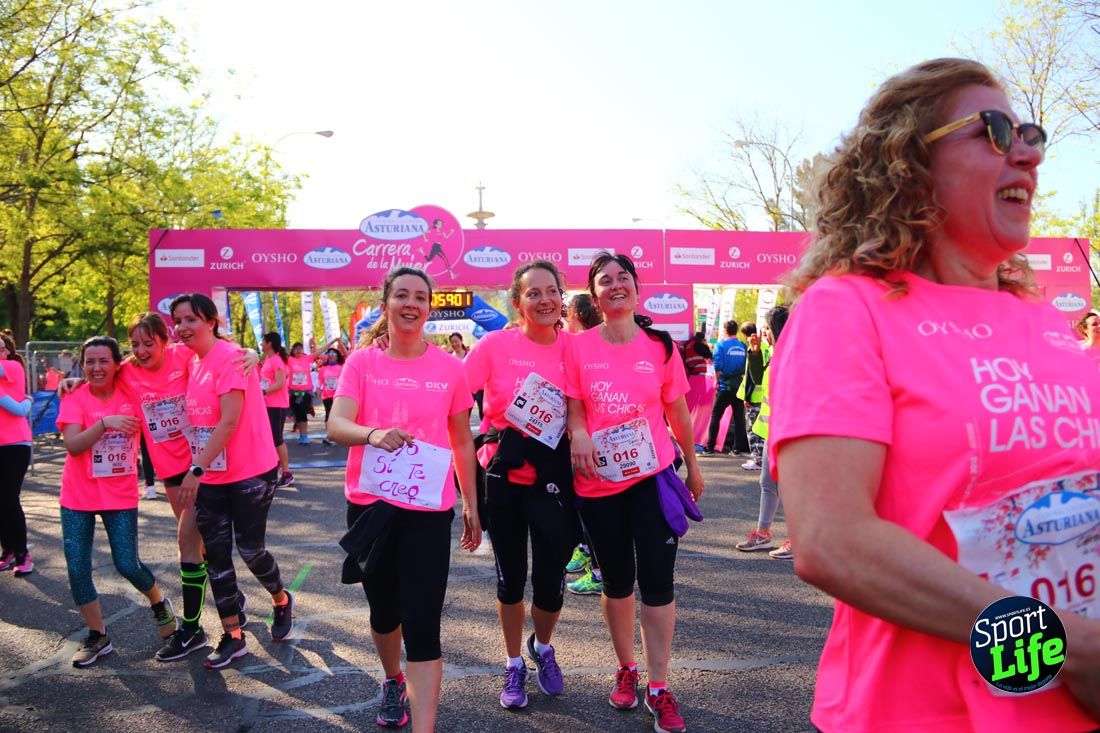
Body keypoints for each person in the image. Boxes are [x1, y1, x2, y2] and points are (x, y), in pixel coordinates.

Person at [770, 58, 1100, 732]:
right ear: (907, 162)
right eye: (998, 131)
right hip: (921, 713)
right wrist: (1064, 645)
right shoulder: (847, 309)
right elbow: (832, 540)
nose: (1030, 154)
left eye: (1031, 134)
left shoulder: (1045, 321)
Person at [328, 267, 481, 732]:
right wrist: (372, 434)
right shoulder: (362, 363)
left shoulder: (451, 368)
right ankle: (393, 678)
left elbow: (462, 441)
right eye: (402, 296)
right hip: (372, 509)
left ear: (429, 307)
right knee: (384, 613)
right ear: (386, 304)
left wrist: (473, 504)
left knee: (423, 622)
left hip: (428, 514)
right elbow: (337, 426)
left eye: (419, 297)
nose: (411, 303)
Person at [566, 252, 704, 733]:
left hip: (653, 480)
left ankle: (660, 686)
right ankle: (626, 668)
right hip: (599, 484)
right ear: (594, 294)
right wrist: (579, 430)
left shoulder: (659, 346)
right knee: (617, 581)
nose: (615, 285)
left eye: (623, 277)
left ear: (637, 289)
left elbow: (678, 412)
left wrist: (693, 464)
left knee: (659, 582)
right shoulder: (577, 347)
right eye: (605, 280)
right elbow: (573, 404)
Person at [464, 261, 577, 709]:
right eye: (534, 293)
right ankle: (513, 664)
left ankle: (542, 648)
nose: (545, 300)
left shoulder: (575, 348)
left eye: (552, 291)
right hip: (505, 475)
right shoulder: (494, 345)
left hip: (555, 475)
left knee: (550, 583)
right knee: (510, 582)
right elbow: (452, 395)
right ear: (517, 301)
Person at [171, 294, 294, 670]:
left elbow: (229, 421)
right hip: (211, 475)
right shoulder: (191, 360)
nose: (182, 326)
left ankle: (281, 599)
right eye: (177, 320)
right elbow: (143, 359)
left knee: (251, 550)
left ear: (211, 321)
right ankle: (233, 635)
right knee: (217, 557)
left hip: (250, 472)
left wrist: (194, 471)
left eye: (191, 319)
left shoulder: (231, 358)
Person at [56, 336, 177, 667]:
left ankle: (158, 602)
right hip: (77, 496)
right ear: (82, 365)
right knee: (78, 568)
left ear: (116, 364)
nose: (96, 368)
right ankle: (98, 635)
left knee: (127, 563)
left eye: (103, 361)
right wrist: (105, 423)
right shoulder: (74, 397)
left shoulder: (131, 394)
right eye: (89, 362)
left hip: (119, 495)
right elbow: (74, 445)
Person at [734, 307, 792, 559]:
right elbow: (758, 380)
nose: (763, 333)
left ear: (777, 329)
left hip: (790, 433)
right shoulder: (773, 353)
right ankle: (763, 533)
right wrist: (755, 354)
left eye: (767, 328)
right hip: (772, 430)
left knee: (791, 488)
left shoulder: (795, 355)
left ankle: (797, 539)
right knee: (767, 483)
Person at [562, 292, 607, 596]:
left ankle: (598, 569)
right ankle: (586, 551)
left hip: (593, 443)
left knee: (593, 509)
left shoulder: (586, 345)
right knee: (583, 508)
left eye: (567, 314)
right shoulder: (572, 344)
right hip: (578, 440)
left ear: (576, 316)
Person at [0, 332, 34, 576]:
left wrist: (25, 404)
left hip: (15, 444)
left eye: (1, 349)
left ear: (8, 352)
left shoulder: (12, 366)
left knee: (9, 499)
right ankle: (8, 550)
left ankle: (23, 553)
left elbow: (18, 410)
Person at [701, 320, 748, 456]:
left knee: (716, 416)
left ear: (725, 330)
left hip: (725, 386)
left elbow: (718, 366)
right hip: (739, 385)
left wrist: (716, 381)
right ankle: (736, 449)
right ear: (736, 330)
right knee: (739, 417)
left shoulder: (721, 345)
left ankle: (709, 448)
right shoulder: (742, 346)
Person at [260, 332, 293, 488]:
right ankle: (276, 469)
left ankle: (287, 473)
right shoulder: (268, 359)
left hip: (277, 404)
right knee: (271, 439)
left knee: (277, 439)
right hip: (268, 404)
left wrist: (263, 392)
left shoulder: (277, 360)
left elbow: (280, 383)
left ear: (270, 343)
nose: (261, 343)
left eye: (263, 340)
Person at [737, 323, 766, 471]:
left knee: (753, 430)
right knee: (761, 431)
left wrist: (747, 396)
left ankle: (757, 459)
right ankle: (762, 459)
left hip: (754, 397)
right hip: (764, 397)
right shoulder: (767, 347)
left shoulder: (754, 348)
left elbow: (750, 375)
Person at [316, 344, 345, 445]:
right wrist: (318, 390)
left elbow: (349, 356)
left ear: (337, 356)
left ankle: (340, 435)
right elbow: (320, 381)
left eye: (334, 354)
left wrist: (339, 342)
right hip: (326, 395)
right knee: (328, 414)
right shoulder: (324, 368)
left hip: (339, 396)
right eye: (330, 354)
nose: (332, 356)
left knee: (338, 415)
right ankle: (329, 435)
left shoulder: (342, 367)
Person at [287, 342, 314, 446]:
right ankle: (301, 435)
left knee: (303, 413)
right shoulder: (289, 360)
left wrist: (332, 342)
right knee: (297, 414)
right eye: (296, 348)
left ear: (303, 350)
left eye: (300, 348)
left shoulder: (307, 359)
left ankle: (304, 435)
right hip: (293, 392)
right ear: (293, 350)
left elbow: (319, 351)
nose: (298, 350)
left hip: (305, 392)